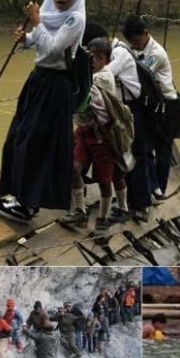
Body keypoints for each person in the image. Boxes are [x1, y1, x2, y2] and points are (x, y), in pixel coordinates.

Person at [0, 0, 86, 223]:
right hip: (38, 80)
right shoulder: (50, 15)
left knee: (35, 141)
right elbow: (41, 43)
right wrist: (27, 39)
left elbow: (55, 48)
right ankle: (19, 194)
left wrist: (36, 22)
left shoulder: (75, 19)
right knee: (18, 136)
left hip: (56, 86)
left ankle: (28, 203)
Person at [59, 38, 121, 231]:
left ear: (107, 61)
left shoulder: (102, 78)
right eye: (91, 56)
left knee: (103, 180)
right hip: (84, 131)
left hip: (102, 136)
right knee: (74, 168)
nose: (93, 60)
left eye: (99, 57)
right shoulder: (88, 75)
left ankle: (102, 217)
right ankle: (80, 211)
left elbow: (82, 98)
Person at [122, 15, 180, 201]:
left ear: (145, 34)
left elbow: (138, 75)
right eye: (130, 42)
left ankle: (159, 189)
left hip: (168, 107)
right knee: (145, 147)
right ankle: (151, 187)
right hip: (154, 106)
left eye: (136, 40)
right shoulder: (135, 49)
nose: (133, 45)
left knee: (163, 152)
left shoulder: (156, 53)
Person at [108, 36, 156, 223]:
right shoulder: (118, 50)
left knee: (135, 156)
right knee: (128, 156)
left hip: (132, 110)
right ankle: (133, 203)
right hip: (126, 108)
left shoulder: (118, 53)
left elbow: (103, 75)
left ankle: (140, 204)